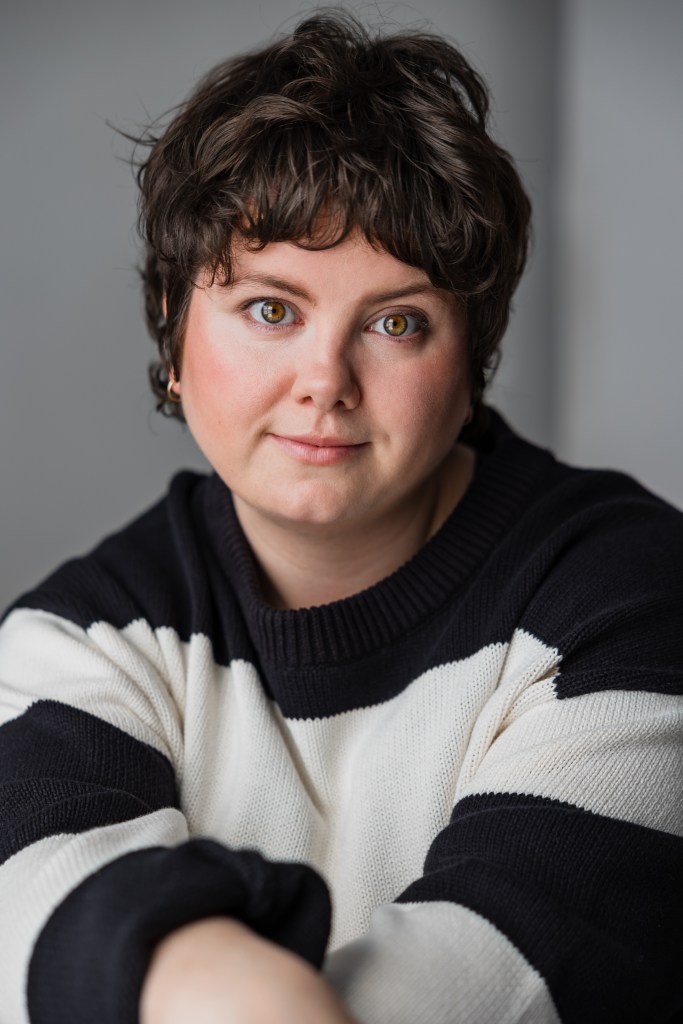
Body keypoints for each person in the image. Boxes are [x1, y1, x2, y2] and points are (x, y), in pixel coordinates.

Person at [0, 11, 681, 1024]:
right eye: (270, 308)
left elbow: (494, 983)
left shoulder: (628, 598)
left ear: (471, 361)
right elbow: (34, 924)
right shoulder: (72, 644)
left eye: (395, 322)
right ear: (171, 331)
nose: (325, 382)